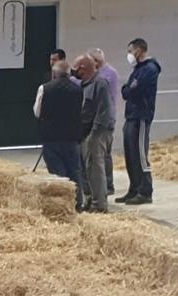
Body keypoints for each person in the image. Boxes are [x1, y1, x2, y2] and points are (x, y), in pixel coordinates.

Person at [35, 61, 86, 211]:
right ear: (69, 74)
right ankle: (77, 203)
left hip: (51, 137)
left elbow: (37, 111)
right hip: (72, 137)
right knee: (74, 171)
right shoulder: (78, 90)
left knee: (57, 172)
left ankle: (62, 204)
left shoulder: (45, 88)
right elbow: (80, 111)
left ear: (54, 74)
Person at [120, 38, 161, 205]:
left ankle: (145, 191)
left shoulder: (149, 69)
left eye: (131, 51)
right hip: (131, 115)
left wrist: (129, 89)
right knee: (130, 155)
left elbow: (134, 91)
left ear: (140, 50)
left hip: (142, 116)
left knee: (141, 155)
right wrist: (129, 88)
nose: (129, 55)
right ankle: (134, 188)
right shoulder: (137, 70)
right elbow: (125, 91)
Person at [75, 54, 114, 213]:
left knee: (95, 168)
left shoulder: (100, 83)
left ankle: (100, 204)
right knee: (86, 169)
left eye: (76, 68)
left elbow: (104, 111)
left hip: (97, 133)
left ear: (83, 69)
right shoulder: (85, 84)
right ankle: (91, 199)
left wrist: (94, 134)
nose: (74, 71)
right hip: (86, 133)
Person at [89, 48, 119, 195]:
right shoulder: (100, 74)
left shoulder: (107, 74)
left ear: (97, 62)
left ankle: (107, 185)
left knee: (103, 154)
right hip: (102, 117)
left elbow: (107, 99)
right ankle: (105, 184)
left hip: (106, 118)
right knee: (103, 154)